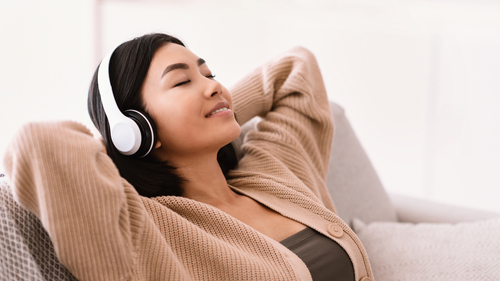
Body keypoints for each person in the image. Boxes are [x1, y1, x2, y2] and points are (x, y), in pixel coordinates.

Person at [3, 33, 373, 281]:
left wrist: (220, 109)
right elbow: (38, 143)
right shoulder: (143, 228)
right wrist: (125, 144)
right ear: (135, 126)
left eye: (210, 74)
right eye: (182, 82)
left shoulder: (272, 169)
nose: (214, 85)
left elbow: (296, 70)